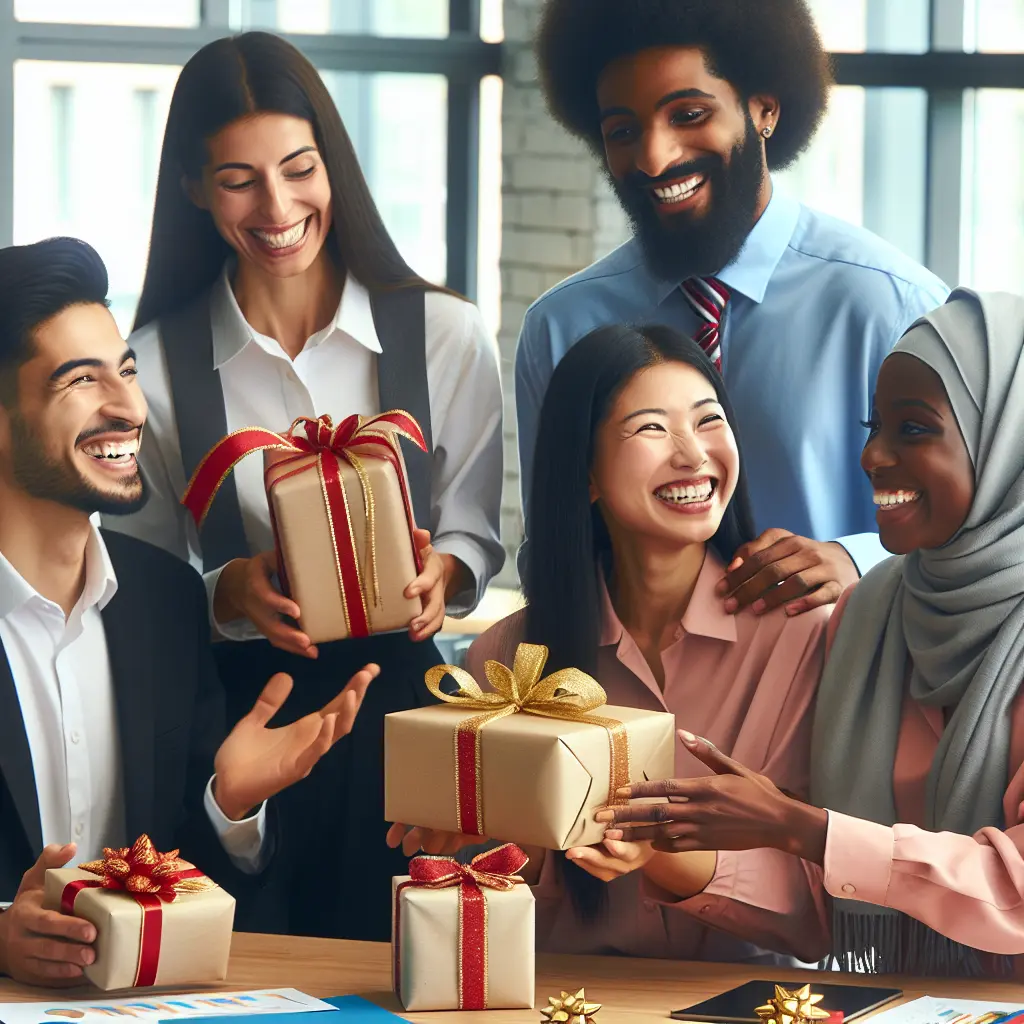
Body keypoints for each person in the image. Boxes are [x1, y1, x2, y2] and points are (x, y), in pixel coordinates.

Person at [103, 31, 504, 941]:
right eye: (238, 178)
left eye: (298, 168)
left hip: (405, 712)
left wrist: (444, 572)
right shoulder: (156, 369)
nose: (276, 205)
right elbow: (142, 588)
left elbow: (476, 530)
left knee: (413, 960)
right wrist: (229, 591)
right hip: (240, 716)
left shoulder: (445, 334)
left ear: (335, 167)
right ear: (194, 190)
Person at [601, 289, 1024, 977]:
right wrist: (751, 827)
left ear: (1008, 441)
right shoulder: (871, 615)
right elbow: (835, 894)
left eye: (913, 429)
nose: (872, 456)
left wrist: (801, 828)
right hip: (892, 1001)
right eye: (873, 426)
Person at [0, 237, 376, 985]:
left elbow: (191, 875)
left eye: (127, 372)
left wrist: (230, 805)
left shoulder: (165, 599)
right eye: (81, 381)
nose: (129, 407)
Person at [390, 324, 829, 964]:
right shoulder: (507, 661)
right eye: (652, 429)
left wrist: (669, 857)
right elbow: (492, 910)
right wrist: (480, 836)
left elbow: (821, 915)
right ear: (586, 474)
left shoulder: (803, 637)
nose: (691, 454)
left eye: (709, 421)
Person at [515, 0, 949, 616]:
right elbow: (553, 548)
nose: (655, 158)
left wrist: (853, 561)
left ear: (764, 110)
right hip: (633, 695)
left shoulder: (891, 305)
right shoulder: (562, 326)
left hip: (840, 678)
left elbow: (981, 528)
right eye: (623, 131)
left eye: (688, 115)